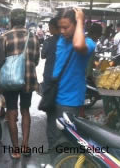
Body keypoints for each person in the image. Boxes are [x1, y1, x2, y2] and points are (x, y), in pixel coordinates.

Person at [46, 8, 95, 157]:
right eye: (60, 27)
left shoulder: (88, 43)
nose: (61, 31)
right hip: (53, 97)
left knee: (65, 143)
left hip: (69, 101)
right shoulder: (62, 39)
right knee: (52, 138)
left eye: (66, 27)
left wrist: (81, 20)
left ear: (77, 25)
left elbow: (78, 46)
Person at [0, 8, 40, 159]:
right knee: (25, 110)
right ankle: (25, 146)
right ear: (24, 21)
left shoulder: (4, 37)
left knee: (11, 111)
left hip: (10, 80)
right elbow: (36, 60)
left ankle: (15, 149)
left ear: (11, 20)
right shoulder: (33, 37)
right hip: (28, 78)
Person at [41, 18, 60, 92]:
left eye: (49, 27)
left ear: (53, 27)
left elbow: (43, 56)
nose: (49, 29)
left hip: (49, 73)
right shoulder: (66, 41)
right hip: (61, 75)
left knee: (47, 97)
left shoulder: (48, 41)